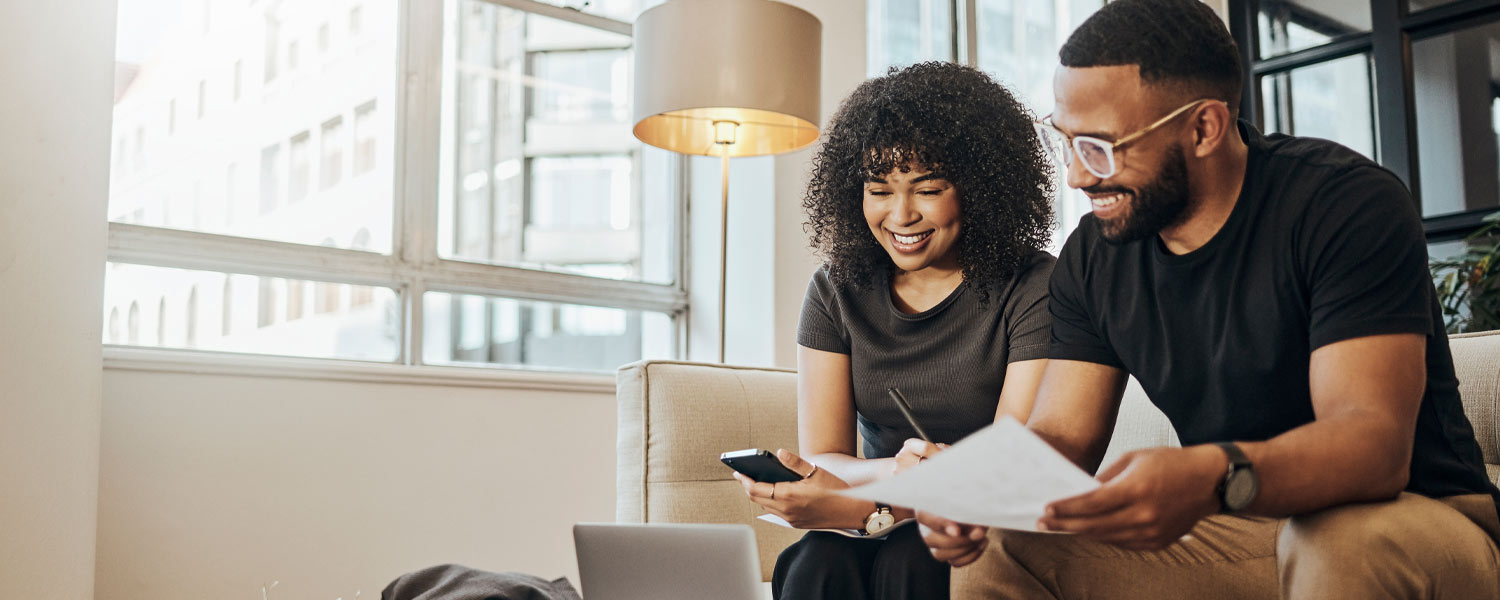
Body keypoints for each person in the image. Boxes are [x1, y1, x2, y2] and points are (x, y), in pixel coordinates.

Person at [917, 0, 1500, 597]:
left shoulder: (1344, 206)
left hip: (1419, 520)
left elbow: (1371, 447)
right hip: (1243, 534)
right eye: (1064, 141)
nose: (1076, 177)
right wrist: (979, 492)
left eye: (1099, 147)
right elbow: (1062, 437)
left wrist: (1211, 474)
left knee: (1337, 540)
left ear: (1204, 128)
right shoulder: (1093, 254)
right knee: (1001, 543)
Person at [730, 61, 1057, 600]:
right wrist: (896, 474)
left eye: (927, 189)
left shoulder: (1034, 286)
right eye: (878, 190)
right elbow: (825, 459)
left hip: (987, 517)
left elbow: (1011, 457)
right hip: (879, 509)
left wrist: (868, 502)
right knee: (816, 559)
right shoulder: (835, 290)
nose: (900, 215)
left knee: (915, 559)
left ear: (979, 188)